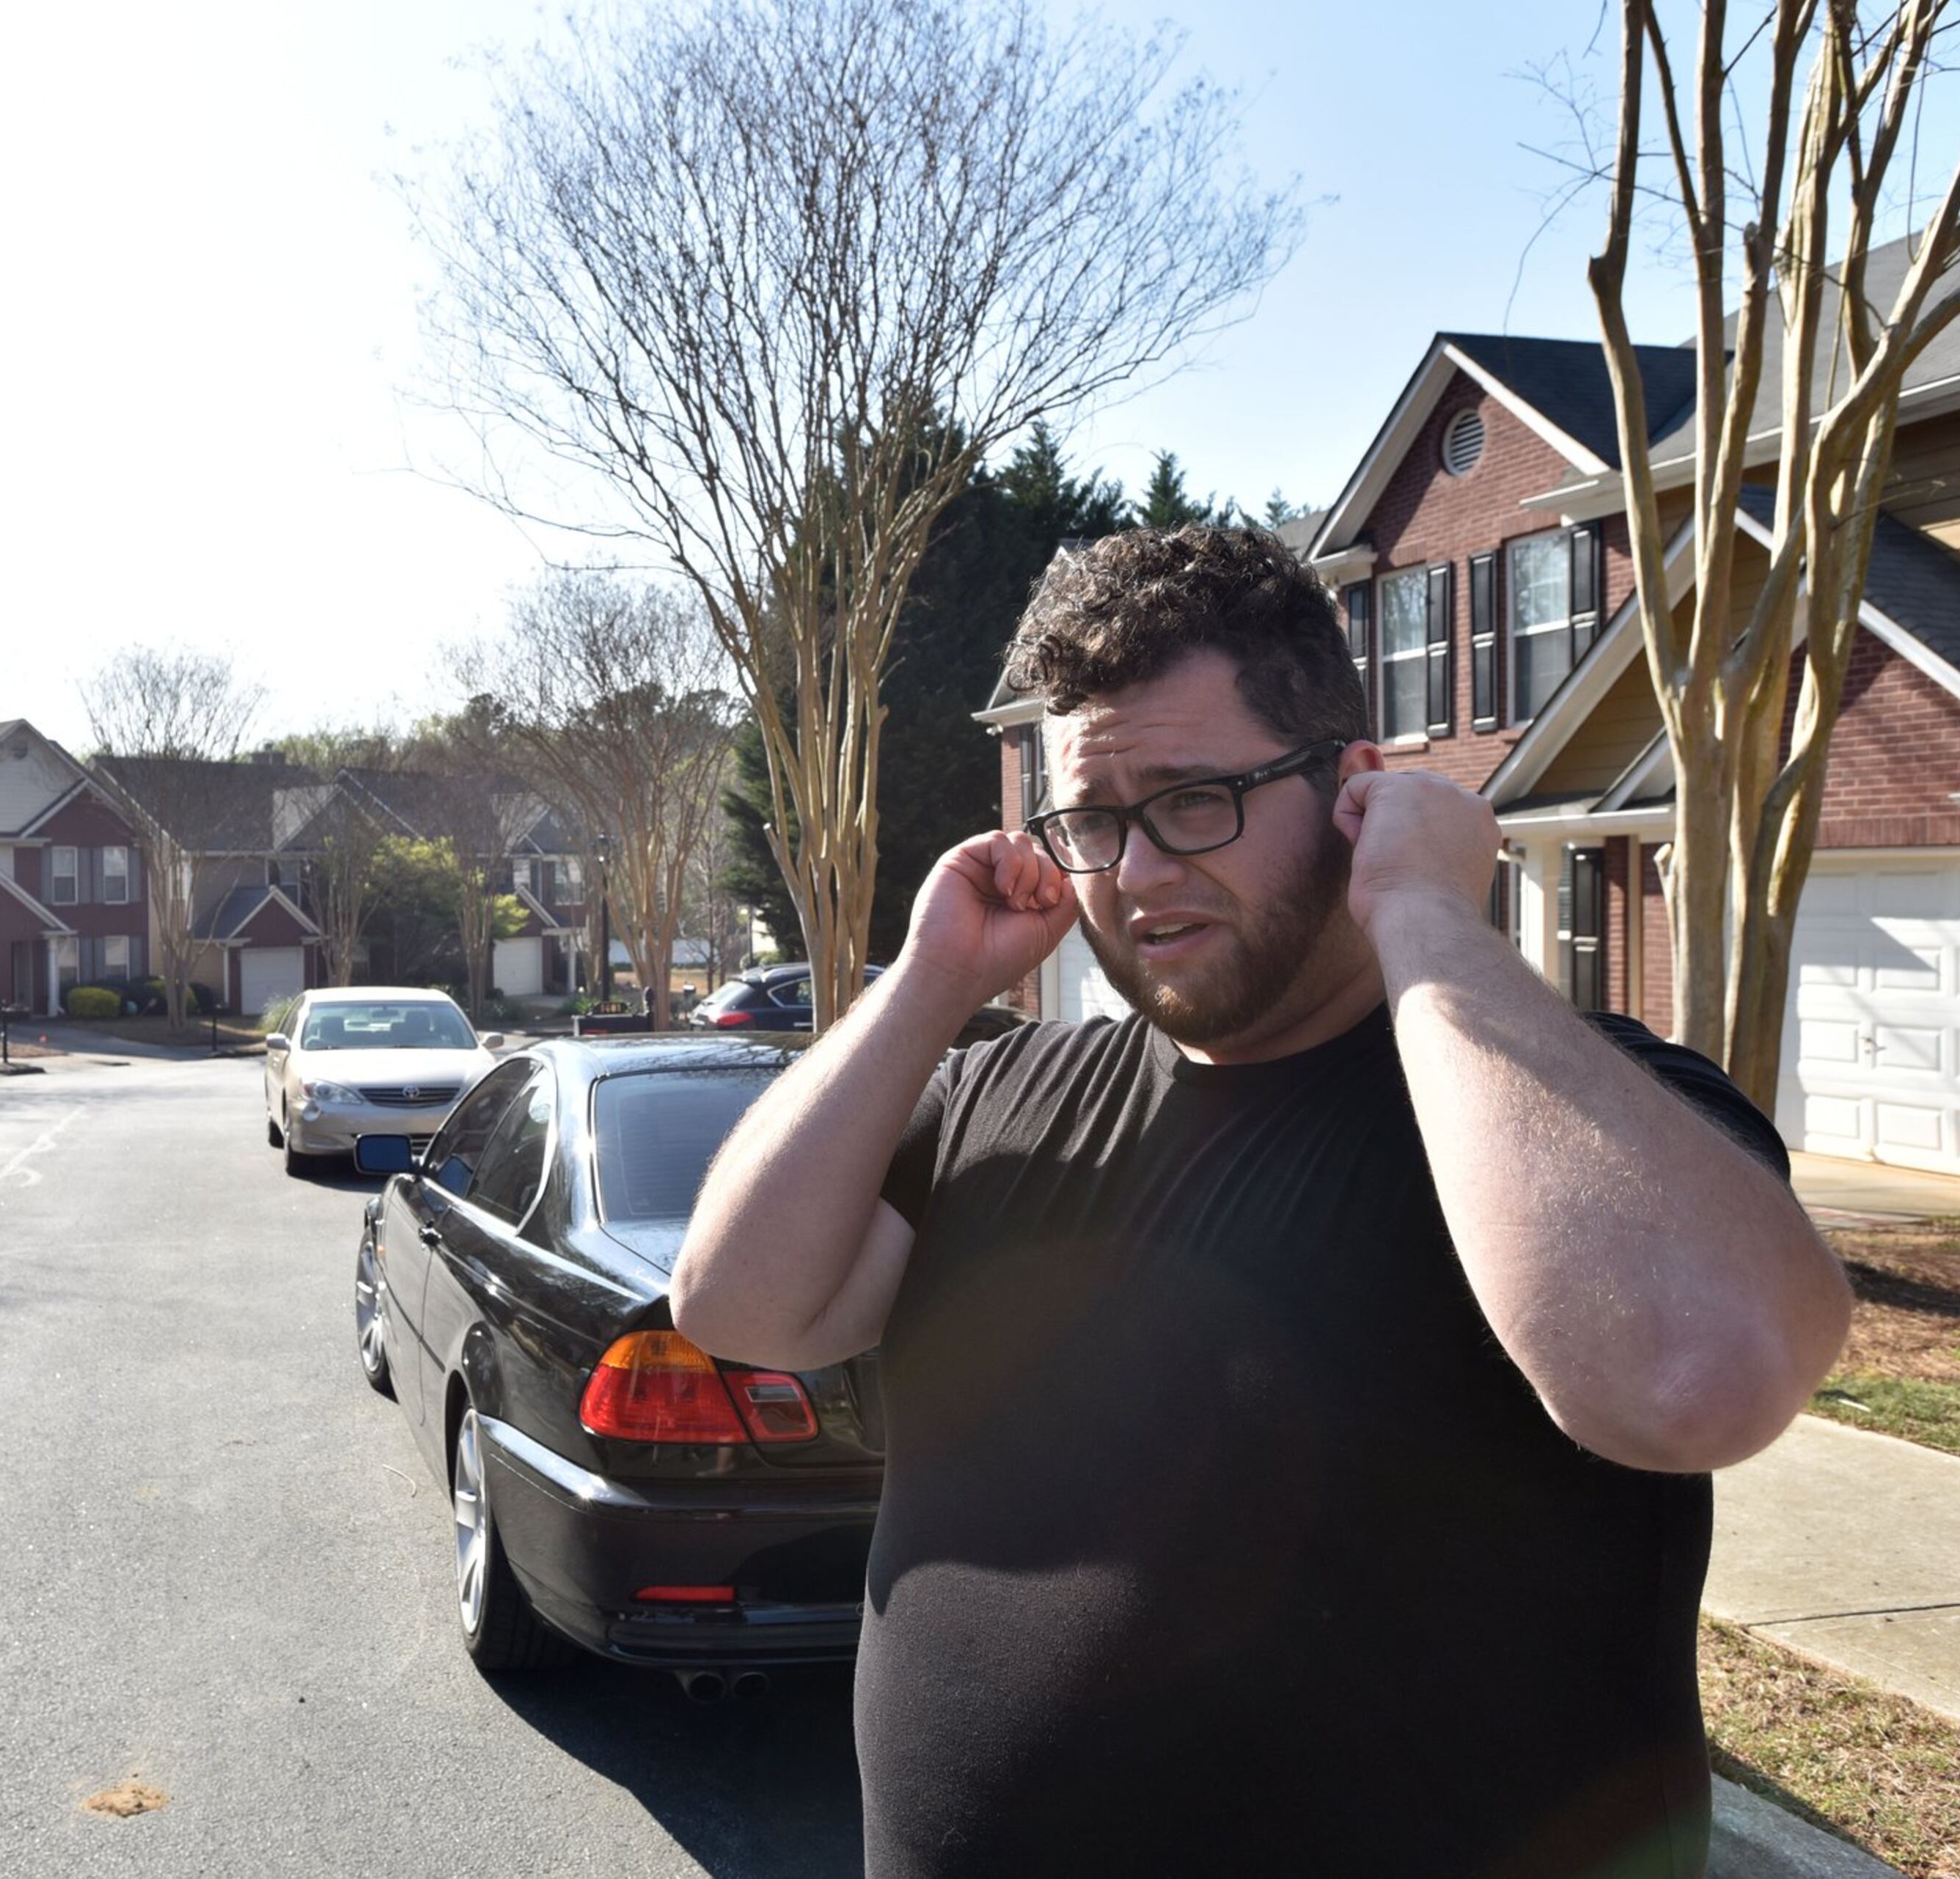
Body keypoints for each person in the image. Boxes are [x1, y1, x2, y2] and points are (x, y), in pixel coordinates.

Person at [669, 525, 1853, 1877]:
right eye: (1094, 821)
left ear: (1356, 786)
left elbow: (1696, 1378)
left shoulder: (1559, 1120)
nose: (1139, 872)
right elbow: (743, 1305)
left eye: (1193, 801)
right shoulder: (999, 1097)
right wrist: (930, 981)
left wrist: (1424, 909)